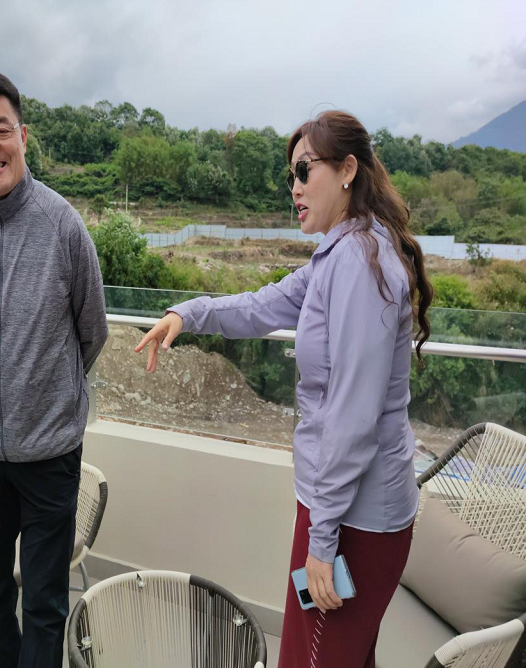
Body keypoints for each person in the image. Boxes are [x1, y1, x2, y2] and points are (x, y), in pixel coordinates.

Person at [135, 110, 433, 668]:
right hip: (339, 509)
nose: (293, 187)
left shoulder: (360, 265)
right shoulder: (341, 254)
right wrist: (188, 313)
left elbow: (352, 417)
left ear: (348, 170)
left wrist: (322, 542)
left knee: (308, 658)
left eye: (303, 170)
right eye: (290, 175)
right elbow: (261, 306)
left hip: (352, 520)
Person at [0, 69, 108, 668]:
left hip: (50, 457)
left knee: (42, 604)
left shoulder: (63, 226)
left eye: (1, 129)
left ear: (23, 136)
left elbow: (92, 331)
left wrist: (44, 393)